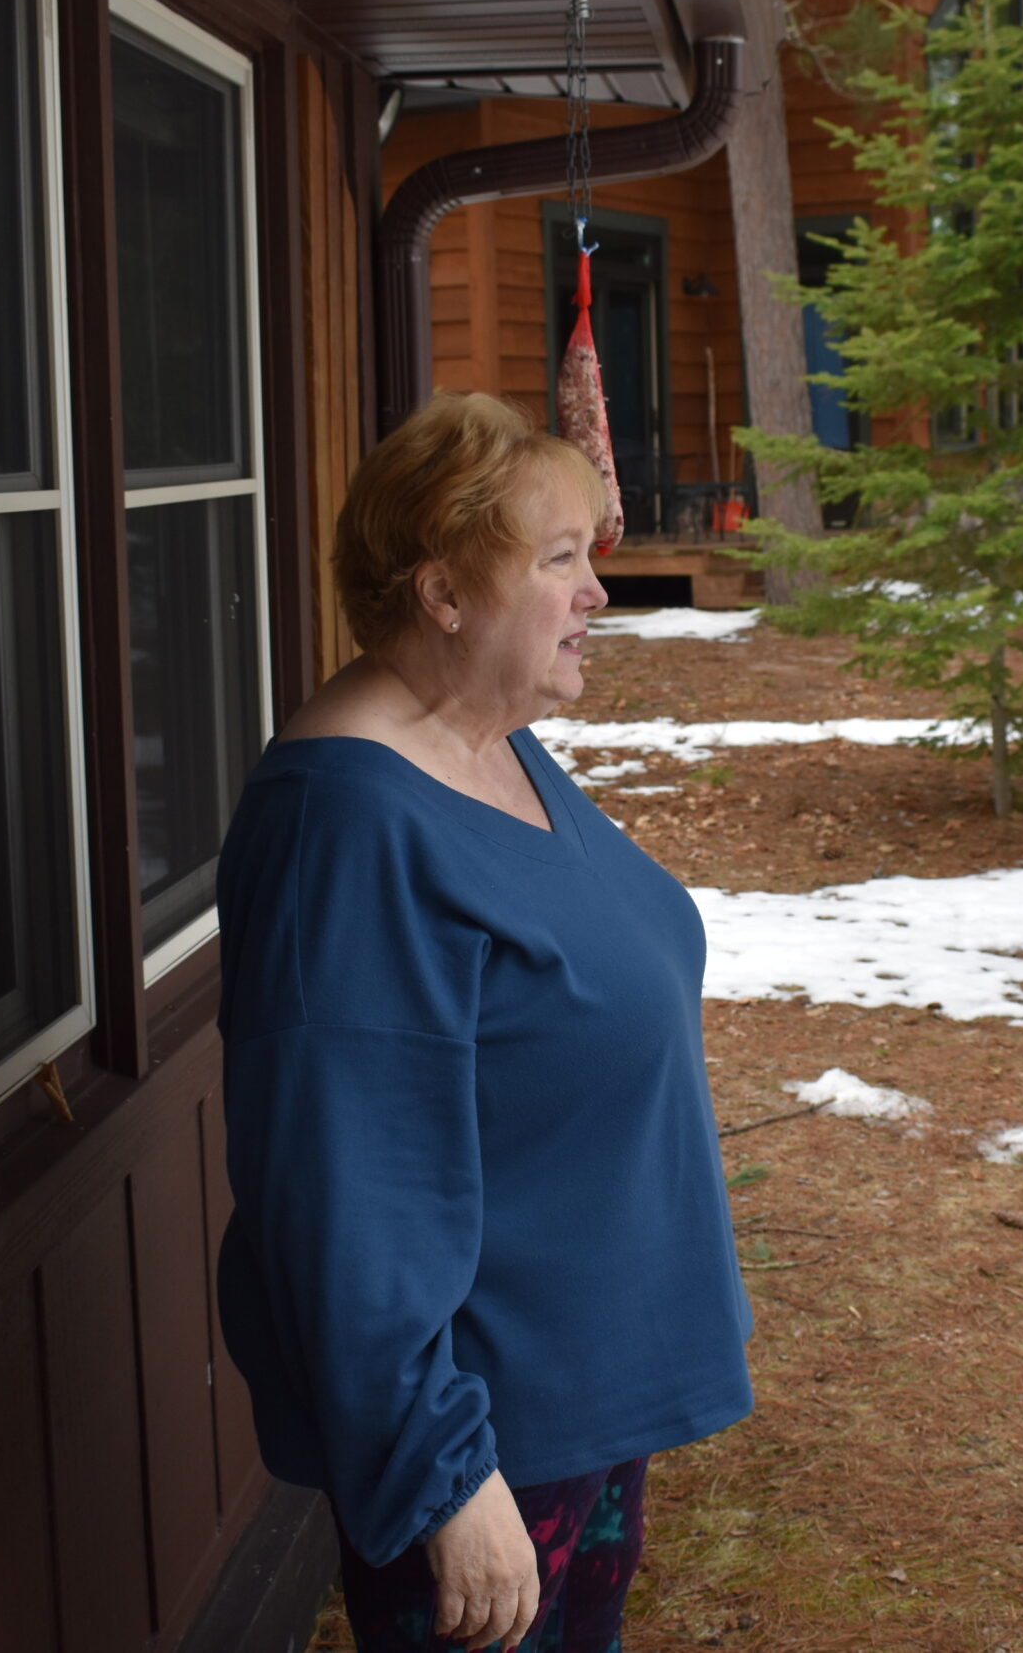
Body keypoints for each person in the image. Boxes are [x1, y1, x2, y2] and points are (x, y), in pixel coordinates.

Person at [213, 392, 755, 1652]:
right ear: (445, 592)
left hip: (575, 1396)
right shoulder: (346, 828)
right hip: (489, 1432)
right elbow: (345, 1193)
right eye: (558, 560)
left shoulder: (485, 740)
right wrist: (445, 1477)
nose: (596, 594)